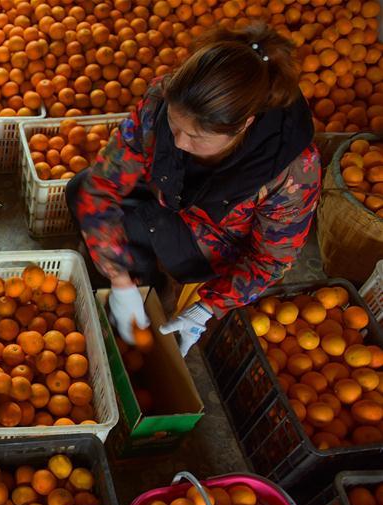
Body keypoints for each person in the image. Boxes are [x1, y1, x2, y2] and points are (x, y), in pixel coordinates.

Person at [66, 22, 321, 356]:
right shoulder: (161, 100)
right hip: (167, 192)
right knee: (80, 187)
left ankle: (156, 295)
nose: (179, 143)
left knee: (139, 226)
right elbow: (102, 184)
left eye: (197, 137)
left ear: (243, 126)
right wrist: (119, 278)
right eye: (174, 126)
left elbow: (271, 259)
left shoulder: (291, 171)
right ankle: (139, 288)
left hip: (215, 239)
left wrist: (208, 306)